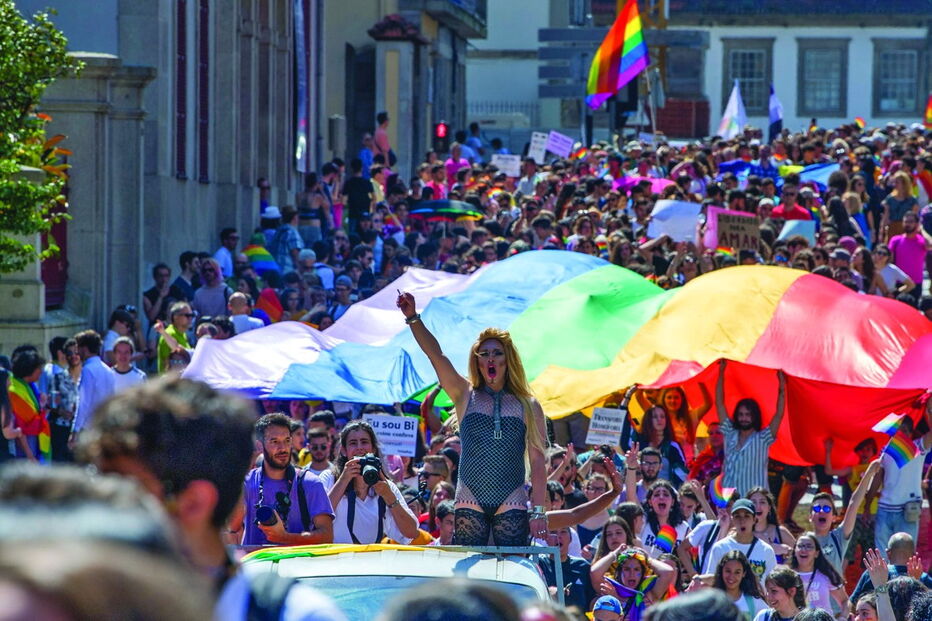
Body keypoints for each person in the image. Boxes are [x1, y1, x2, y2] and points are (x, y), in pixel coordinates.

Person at [76, 376, 345, 620]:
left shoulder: (298, 615)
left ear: (195, 503)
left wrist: (283, 537)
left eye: (120, 490)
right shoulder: (89, 608)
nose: (100, 509)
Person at [398, 291, 548, 545]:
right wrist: (413, 318)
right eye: (484, 353)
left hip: (511, 496)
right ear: (477, 361)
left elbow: (538, 460)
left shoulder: (528, 404)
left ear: (508, 360)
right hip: (469, 495)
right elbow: (436, 356)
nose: (490, 358)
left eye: (497, 353)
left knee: (510, 566)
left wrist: (539, 511)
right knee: (472, 565)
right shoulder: (464, 394)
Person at [236, 413, 334, 546]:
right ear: (260, 446)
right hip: (255, 559)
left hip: (298, 560)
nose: (283, 448)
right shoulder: (247, 482)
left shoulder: (310, 483)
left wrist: (284, 538)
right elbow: (232, 527)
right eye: (275, 441)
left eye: (287, 440)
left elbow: (327, 536)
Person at [317, 420, 418, 544]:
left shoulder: (386, 486)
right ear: (344, 450)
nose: (359, 447)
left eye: (364, 442)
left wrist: (389, 496)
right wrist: (343, 480)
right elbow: (318, 519)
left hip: (371, 556)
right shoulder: (330, 478)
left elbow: (412, 533)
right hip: (336, 555)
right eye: (353, 443)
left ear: (373, 449)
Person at [869, 403, 932, 554]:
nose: (899, 434)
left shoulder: (918, 448)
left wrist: (930, 409)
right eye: (896, 430)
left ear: (910, 433)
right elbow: (877, 478)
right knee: (882, 556)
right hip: (885, 509)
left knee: (906, 557)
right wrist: (868, 504)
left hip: (907, 511)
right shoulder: (885, 451)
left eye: (903, 430)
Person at [716, 360, 786, 495]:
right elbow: (720, 403)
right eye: (741, 414)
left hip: (755, 500)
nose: (744, 418)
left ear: (755, 417)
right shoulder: (729, 432)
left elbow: (779, 414)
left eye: (748, 415)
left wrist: (782, 386)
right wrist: (721, 373)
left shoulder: (764, 438)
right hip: (729, 499)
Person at [848, 532, 932, 606]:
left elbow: (853, 604)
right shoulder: (923, 578)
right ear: (914, 555)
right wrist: (916, 581)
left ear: (888, 553)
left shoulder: (874, 573)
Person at [703, 499, 777, 582]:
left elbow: (773, 582)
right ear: (732, 519)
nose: (742, 521)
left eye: (747, 516)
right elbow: (712, 579)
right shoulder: (720, 547)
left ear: (754, 519)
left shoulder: (766, 550)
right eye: (737, 516)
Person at [538, 525, 597, 611]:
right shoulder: (539, 564)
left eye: (563, 532)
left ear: (571, 539)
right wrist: (549, 592)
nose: (558, 536)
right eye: (553, 532)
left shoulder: (583, 566)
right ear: (546, 538)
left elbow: (592, 600)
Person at [71, 330, 116, 444]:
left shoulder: (88, 370)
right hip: (104, 426)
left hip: (88, 428)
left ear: (85, 349)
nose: (77, 352)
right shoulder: (108, 370)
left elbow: (83, 402)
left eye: (78, 347)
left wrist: (75, 430)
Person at [788, 532, 847, 614]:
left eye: (809, 546)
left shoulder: (827, 574)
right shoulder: (787, 576)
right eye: (800, 546)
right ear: (794, 551)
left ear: (816, 553)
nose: (804, 550)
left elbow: (845, 601)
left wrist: (843, 617)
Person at [712, 550, 768, 619]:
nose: (731, 576)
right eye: (728, 571)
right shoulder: (712, 602)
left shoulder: (754, 602)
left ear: (744, 573)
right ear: (721, 571)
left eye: (737, 572)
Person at [887, 211, 930, 293]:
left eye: (911, 222)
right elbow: (889, 260)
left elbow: (930, 245)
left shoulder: (921, 241)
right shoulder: (895, 240)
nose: (907, 224)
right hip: (899, 282)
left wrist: (922, 230)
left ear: (917, 224)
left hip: (916, 283)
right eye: (906, 221)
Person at [157, 301, 193, 373]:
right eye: (187, 315)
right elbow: (167, 364)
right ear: (175, 317)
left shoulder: (183, 334)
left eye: (192, 315)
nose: (190, 318)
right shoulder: (170, 335)